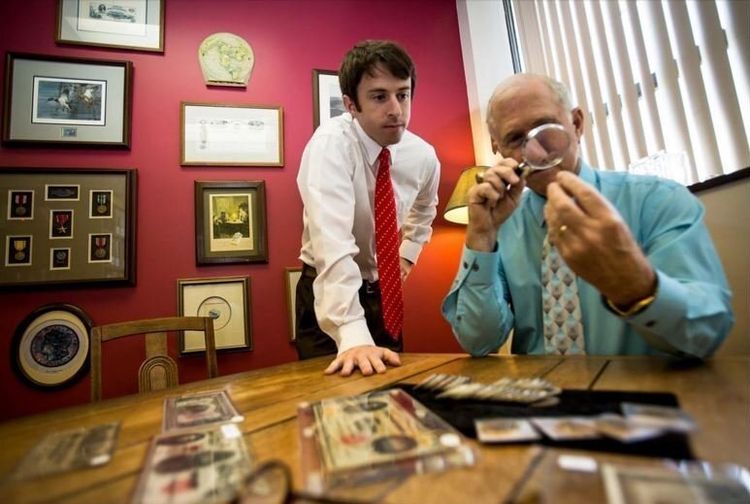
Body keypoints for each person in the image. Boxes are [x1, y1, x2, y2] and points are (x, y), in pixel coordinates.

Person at [442, 73, 733, 358]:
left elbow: (706, 335)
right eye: (516, 139)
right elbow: (478, 342)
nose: (537, 151)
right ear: (498, 148)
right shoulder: (503, 224)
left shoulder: (659, 201)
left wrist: (634, 285)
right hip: (538, 398)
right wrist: (480, 237)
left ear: (577, 124)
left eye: (546, 128)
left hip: (638, 399)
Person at [296, 40, 440, 375]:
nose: (396, 109)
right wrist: (351, 332)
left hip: (384, 291)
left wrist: (407, 255)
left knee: (391, 394)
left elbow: (424, 211)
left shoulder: (423, 156)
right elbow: (332, 245)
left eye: (402, 94)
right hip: (328, 288)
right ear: (351, 104)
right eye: (379, 96)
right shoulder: (329, 146)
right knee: (334, 401)